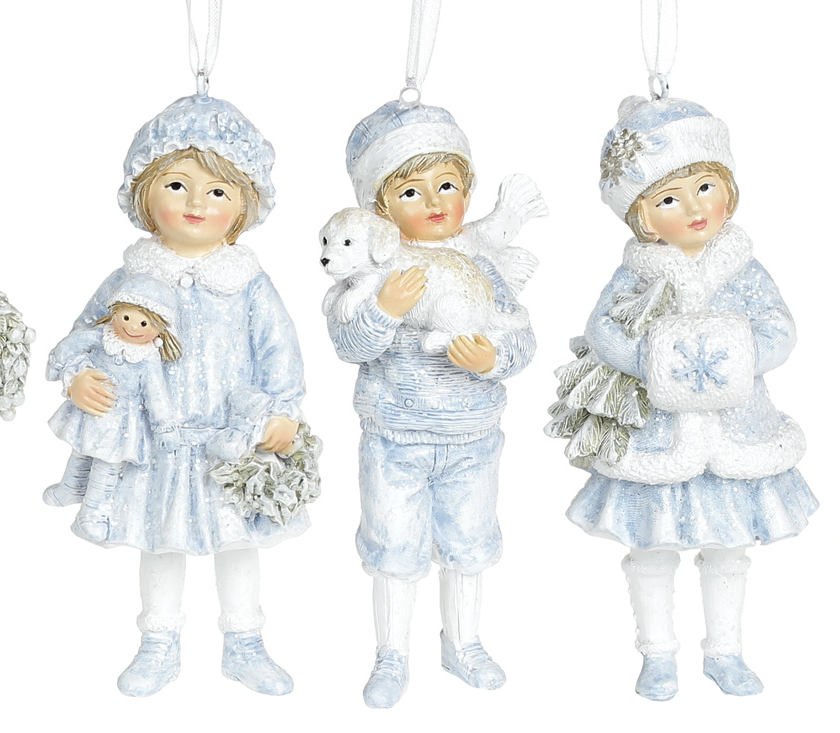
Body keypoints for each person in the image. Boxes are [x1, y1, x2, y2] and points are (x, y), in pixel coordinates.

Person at [550, 95, 818, 701]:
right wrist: (652, 361)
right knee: (652, 548)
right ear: (645, 218)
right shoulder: (638, 274)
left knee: (728, 550)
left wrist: (740, 358)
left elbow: (779, 328)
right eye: (670, 199)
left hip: (736, 433)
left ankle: (725, 650)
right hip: (660, 437)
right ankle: (657, 654)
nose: (694, 208)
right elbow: (605, 330)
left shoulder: (744, 269)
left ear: (728, 190)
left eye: (704, 188)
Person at [47, 94, 311, 697]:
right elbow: (86, 333)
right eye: (177, 185)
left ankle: (244, 642)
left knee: (237, 542)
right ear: (145, 196)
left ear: (244, 204)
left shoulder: (248, 282)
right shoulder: (131, 278)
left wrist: (282, 410)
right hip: (152, 443)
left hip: (229, 441)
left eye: (217, 191)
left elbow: (279, 348)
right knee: (159, 540)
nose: (196, 203)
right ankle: (158, 641)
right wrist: (79, 376)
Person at [326, 99, 545, 708]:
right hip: (395, 438)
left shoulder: (480, 263)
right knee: (393, 548)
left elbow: (521, 336)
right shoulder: (371, 271)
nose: (433, 201)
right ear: (380, 212)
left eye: (446, 185)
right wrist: (384, 311)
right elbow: (348, 344)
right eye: (410, 192)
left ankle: (463, 642)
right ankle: (391, 653)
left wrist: (493, 359)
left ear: (467, 192)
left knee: (468, 544)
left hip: (471, 437)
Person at [45, 274, 180, 542]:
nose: (133, 327)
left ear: (159, 329)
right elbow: (73, 345)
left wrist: (164, 427)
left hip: (122, 423)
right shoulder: (101, 337)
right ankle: (71, 487)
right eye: (126, 317)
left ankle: (92, 514)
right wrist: (62, 365)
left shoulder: (148, 360)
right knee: (80, 451)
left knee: (107, 467)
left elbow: (157, 396)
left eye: (144, 323)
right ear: (115, 312)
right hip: (92, 411)